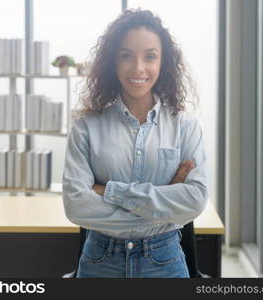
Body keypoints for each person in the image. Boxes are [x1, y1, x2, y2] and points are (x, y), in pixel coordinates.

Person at [62, 9, 208, 278]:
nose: (138, 68)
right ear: (112, 62)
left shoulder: (185, 126)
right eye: (126, 55)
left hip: (165, 262)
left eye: (149, 56)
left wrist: (108, 191)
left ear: (163, 62)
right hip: (99, 263)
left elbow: (195, 200)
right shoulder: (86, 127)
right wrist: (163, 205)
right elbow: (76, 205)